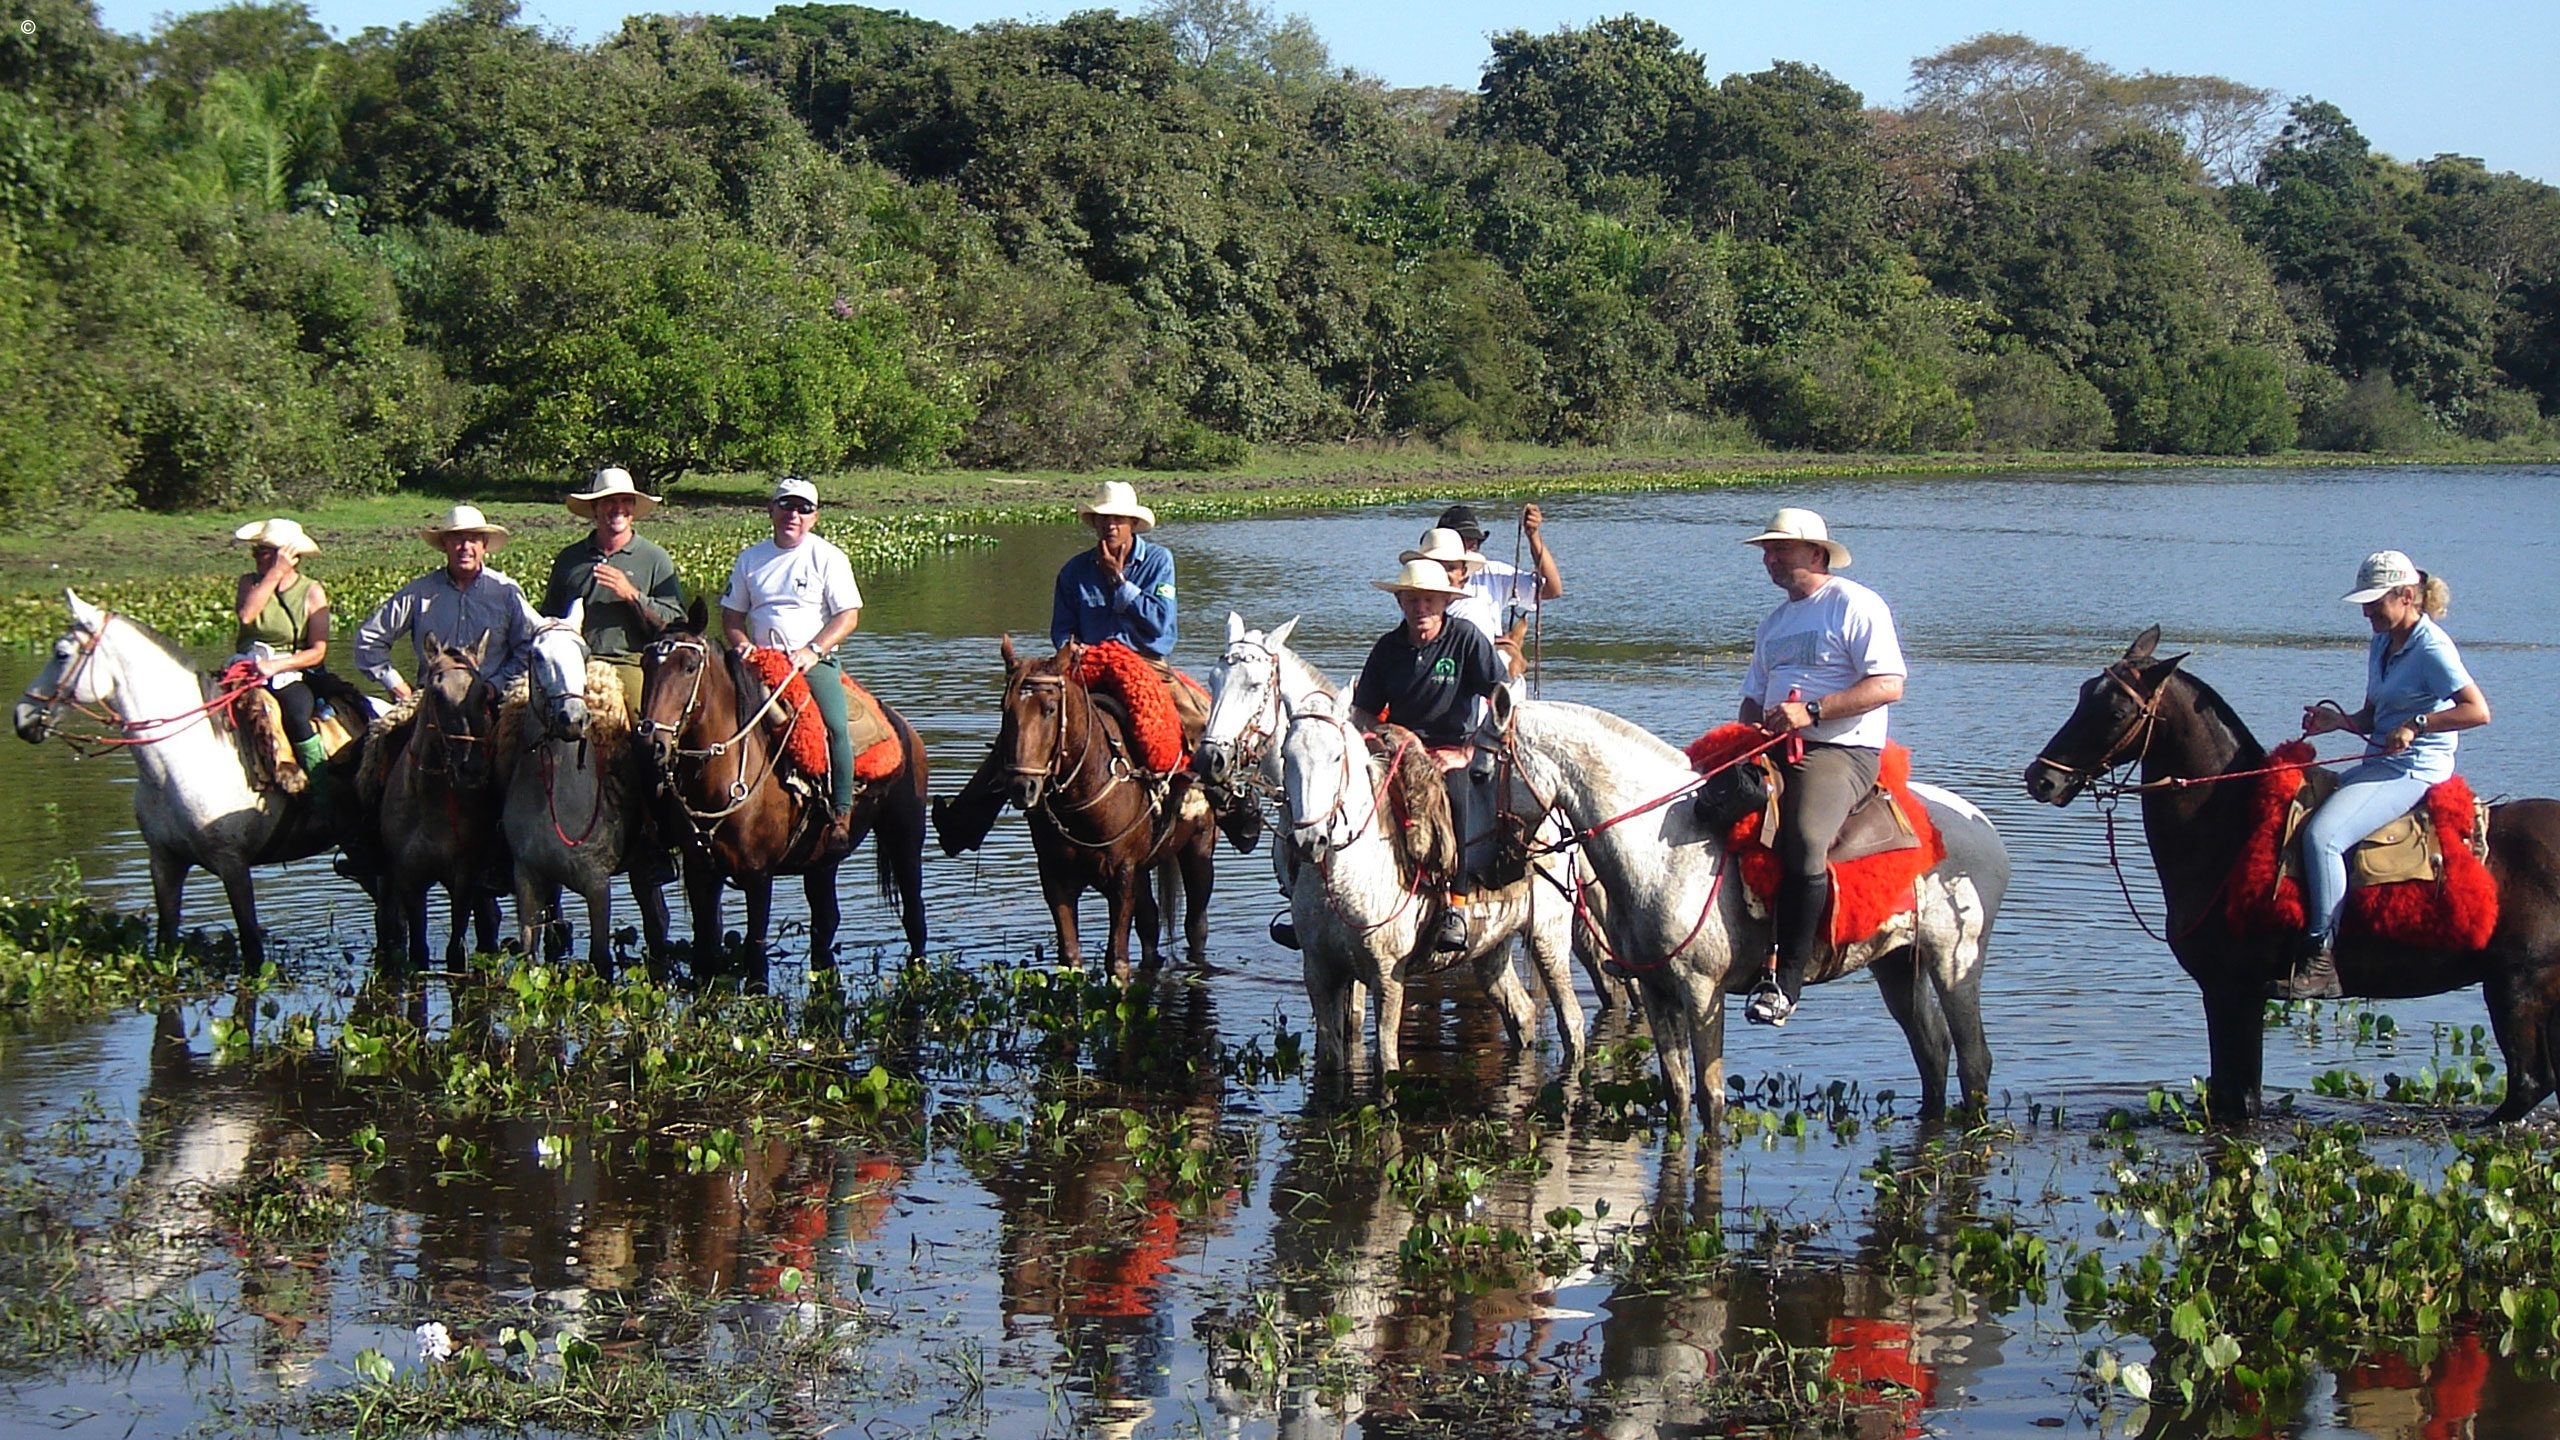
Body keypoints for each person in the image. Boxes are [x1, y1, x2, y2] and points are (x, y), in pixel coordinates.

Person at [934, 481, 1258, 855]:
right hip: (1085, 669)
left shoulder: (1158, 562)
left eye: (1118, 520)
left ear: (1132, 524)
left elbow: (1161, 626)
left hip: (1146, 667)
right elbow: (1061, 628)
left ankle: (1231, 806)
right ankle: (967, 819)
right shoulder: (1073, 572)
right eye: (1103, 520)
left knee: (1199, 721)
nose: (1110, 527)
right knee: (1024, 729)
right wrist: (1070, 647)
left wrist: (1119, 583)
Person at [2283, 551, 2491, 1000]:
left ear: (2406, 596)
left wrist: (2418, 726)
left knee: (2323, 838)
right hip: (2380, 760)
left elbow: (2478, 711)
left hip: (2416, 769)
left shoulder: (2432, 648)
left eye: (2375, 602)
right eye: (2365, 603)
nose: (2366, 611)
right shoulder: (2382, 641)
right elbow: (2375, 716)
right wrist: (2337, 722)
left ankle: (2321, 957)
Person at [1736, 507, 1907, 1027]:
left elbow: (1888, 685)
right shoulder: (1775, 623)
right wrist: (1745, 737)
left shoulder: (1855, 604)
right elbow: (1750, 697)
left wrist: (1810, 712)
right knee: (1700, 809)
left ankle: (1786, 979)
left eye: (1779, 549)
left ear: (1816, 553)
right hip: (1772, 746)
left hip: (1839, 750)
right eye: (1766, 550)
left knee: (1805, 836)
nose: (1768, 558)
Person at [1349, 557, 1509, 955]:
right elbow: (1363, 711)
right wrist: (1388, 738)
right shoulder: (1387, 648)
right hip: (1398, 748)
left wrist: (1471, 749)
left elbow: (1503, 697)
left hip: (1452, 747)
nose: (1421, 609)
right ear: (1400, 602)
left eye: (1430, 601)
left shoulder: (1466, 638)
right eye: (1413, 600)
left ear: (1443, 603)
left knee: (1456, 803)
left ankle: (1455, 904)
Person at [720, 476, 865, 857]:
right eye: (786, 506)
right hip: (760, 660)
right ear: (772, 510)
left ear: (814, 517)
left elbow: (848, 616)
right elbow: (731, 616)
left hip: (810, 661)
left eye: (803, 509)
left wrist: (812, 650)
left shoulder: (828, 557)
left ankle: (841, 812)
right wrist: (744, 647)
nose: (793, 515)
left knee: (834, 725)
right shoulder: (750, 559)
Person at [353, 505, 542, 703]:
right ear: (445, 544)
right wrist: (395, 685)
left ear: (484, 545)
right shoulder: (419, 592)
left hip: (492, 702)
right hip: (432, 703)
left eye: (473, 539)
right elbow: (369, 640)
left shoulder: (506, 592)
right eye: (457, 539)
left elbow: (530, 648)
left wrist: (496, 685)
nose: (465, 547)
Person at [541, 466, 684, 714]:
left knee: (644, 730)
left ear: (633, 511)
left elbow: (676, 621)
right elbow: (549, 617)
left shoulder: (654, 558)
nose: (618, 508)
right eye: (609, 501)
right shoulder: (569, 558)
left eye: (626, 501)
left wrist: (632, 595)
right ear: (595, 508)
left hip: (630, 661)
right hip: (575, 662)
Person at [231, 517, 335, 792]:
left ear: (289, 556)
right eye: (257, 551)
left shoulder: (311, 592)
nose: (257, 558)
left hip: (288, 672)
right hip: (245, 667)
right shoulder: (248, 583)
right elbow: (247, 615)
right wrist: (272, 576)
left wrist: (277, 666)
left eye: (264, 552)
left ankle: (321, 794)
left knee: (298, 714)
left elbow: (318, 651)